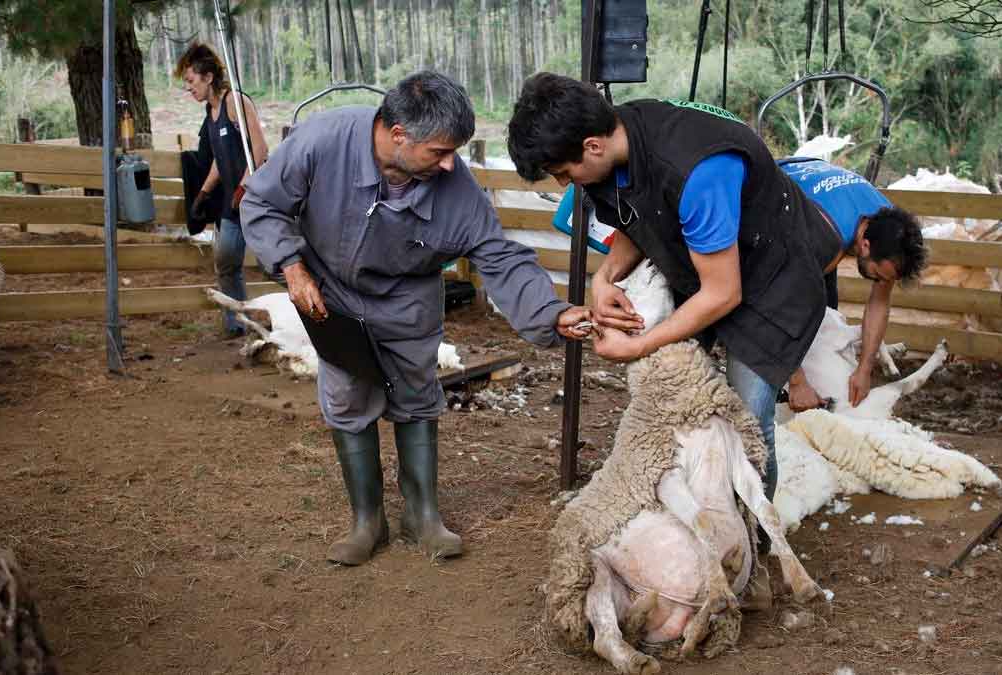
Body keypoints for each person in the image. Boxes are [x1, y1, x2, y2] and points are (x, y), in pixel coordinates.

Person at [240, 71, 592, 565]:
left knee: (415, 395)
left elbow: (498, 255)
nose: (451, 164)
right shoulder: (322, 141)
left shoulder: (455, 186)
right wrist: (291, 267)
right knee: (346, 396)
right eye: (440, 152)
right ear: (398, 134)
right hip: (332, 294)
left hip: (407, 300)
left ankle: (422, 515)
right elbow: (261, 201)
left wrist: (549, 312)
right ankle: (367, 521)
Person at [507, 73, 840, 501]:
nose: (563, 184)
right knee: (676, 400)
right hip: (707, 265)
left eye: (562, 173)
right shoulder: (617, 139)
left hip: (772, 281)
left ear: (592, 146)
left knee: (748, 424)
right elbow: (637, 215)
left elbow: (723, 293)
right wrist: (605, 277)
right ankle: (695, 511)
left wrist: (637, 347)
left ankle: (754, 541)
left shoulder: (698, 172)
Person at [778, 158, 927, 408]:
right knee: (793, 310)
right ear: (865, 245)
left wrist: (865, 369)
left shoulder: (890, 232)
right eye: (879, 275)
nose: (881, 282)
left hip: (819, 209)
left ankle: (816, 382)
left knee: (824, 313)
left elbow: (879, 302)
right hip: (769, 201)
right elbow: (777, 305)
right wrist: (796, 381)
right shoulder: (826, 238)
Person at [175, 42, 269, 337]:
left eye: (191, 81)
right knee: (226, 264)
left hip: (257, 199)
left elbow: (260, 149)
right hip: (232, 205)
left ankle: (312, 313)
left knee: (277, 264)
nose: (189, 88)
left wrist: (244, 188)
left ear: (208, 77)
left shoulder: (235, 102)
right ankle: (238, 326)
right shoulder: (211, 112)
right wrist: (203, 192)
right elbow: (220, 157)